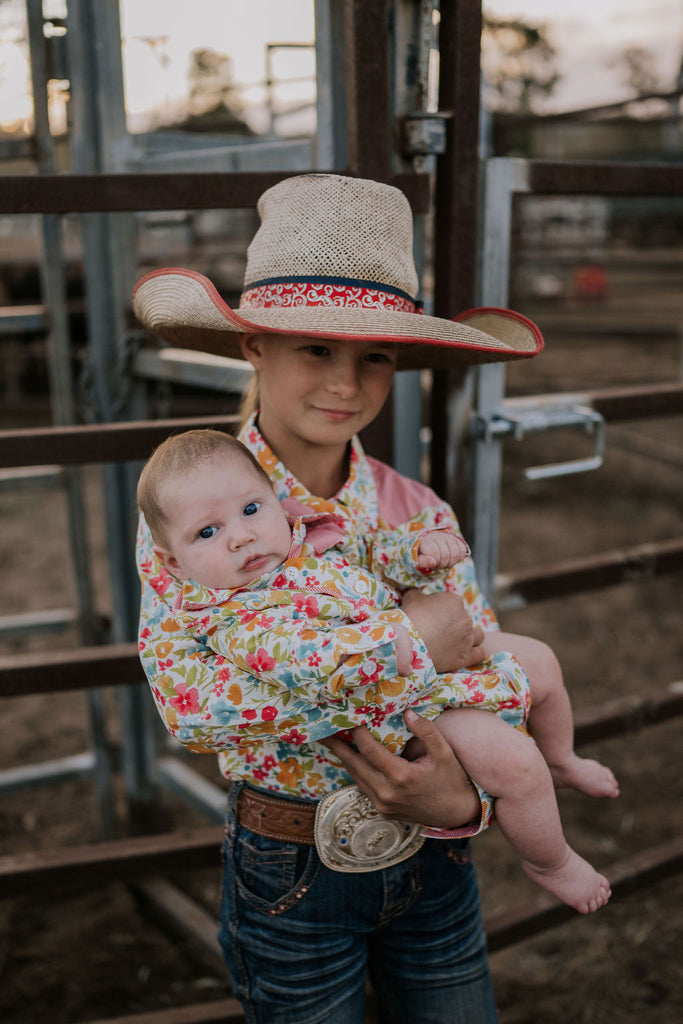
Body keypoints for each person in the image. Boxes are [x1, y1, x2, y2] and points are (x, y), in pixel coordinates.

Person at [133, 171, 557, 1023]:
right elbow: (193, 707)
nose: (346, 383)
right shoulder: (194, 522)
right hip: (291, 865)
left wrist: (461, 803)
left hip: (436, 858)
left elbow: (480, 665)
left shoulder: (414, 510)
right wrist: (408, 642)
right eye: (316, 349)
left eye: (375, 356)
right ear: (255, 347)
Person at [137, 427, 617, 915]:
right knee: (515, 764)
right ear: (173, 565)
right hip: (401, 712)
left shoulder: (308, 536)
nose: (240, 535)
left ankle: (562, 758)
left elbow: (370, 551)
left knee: (541, 660)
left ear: (276, 500)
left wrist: (415, 554)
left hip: (433, 671)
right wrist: (408, 634)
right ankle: (551, 862)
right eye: (208, 532)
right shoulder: (236, 616)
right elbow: (312, 661)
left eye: (252, 509)